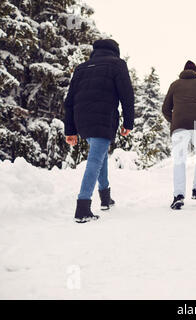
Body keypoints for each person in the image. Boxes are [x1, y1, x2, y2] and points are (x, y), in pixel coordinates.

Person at [64, 39, 135, 223]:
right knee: (95, 159)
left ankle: (105, 198)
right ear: (115, 51)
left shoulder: (81, 68)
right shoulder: (117, 64)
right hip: (103, 116)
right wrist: (128, 122)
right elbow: (127, 95)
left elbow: (69, 101)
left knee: (100, 154)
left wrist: (70, 129)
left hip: (82, 120)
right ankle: (83, 206)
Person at [162, 60, 196, 210]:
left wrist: (175, 120)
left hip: (180, 125)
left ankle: (178, 195)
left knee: (179, 160)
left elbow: (165, 109)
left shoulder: (175, 84)